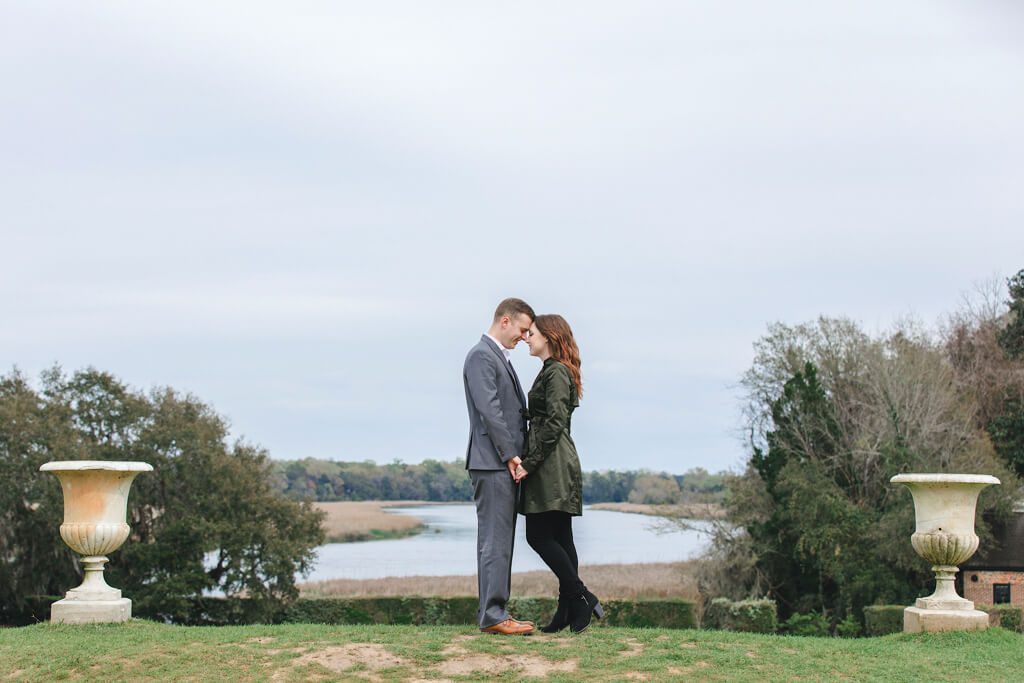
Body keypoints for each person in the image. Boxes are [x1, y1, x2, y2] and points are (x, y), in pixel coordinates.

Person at [514, 314, 604, 633]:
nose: (527, 338)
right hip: (554, 459)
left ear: (549, 337)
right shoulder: (554, 371)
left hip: (550, 463)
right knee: (561, 537)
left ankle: (581, 596)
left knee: (537, 535)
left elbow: (553, 423)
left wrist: (529, 462)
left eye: (533, 333)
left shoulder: (556, 372)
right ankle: (567, 610)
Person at [463, 297, 536, 635]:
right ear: (504, 321)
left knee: (500, 539)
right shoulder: (481, 356)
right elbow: (489, 410)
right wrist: (511, 455)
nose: (523, 337)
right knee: (495, 539)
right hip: (493, 464)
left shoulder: (496, 357)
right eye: (522, 330)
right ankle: (493, 615)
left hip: (497, 463)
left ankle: (495, 612)